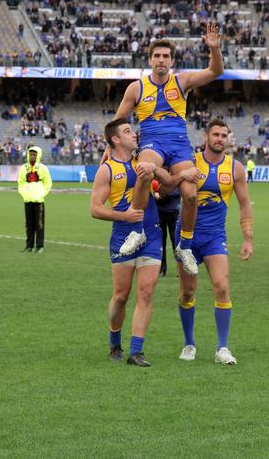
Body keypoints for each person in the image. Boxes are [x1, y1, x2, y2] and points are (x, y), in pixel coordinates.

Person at [107, 28, 224, 276]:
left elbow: (215, 71)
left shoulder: (182, 82)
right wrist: (109, 149)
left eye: (166, 56)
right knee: (144, 172)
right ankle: (137, 231)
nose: (161, 60)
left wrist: (213, 48)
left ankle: (185, 246)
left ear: (172, 61)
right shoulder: (136, 88)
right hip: (153, 143)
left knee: (191, 194)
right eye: (157, 55)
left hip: (179, 144)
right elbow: (117, 122)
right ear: (150, 60)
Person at [90, 119, 196, 367]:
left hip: (151, 233)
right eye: (127, 131)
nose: (133, 134)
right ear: (115, 139)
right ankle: (114, 340)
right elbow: (94, 209)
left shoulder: (146, 162)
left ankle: (136, 351)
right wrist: (124, 216)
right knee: (120, 297)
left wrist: (183, 175)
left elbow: (169, 183)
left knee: (146, 292)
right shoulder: (107, 169)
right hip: (122, 235)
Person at [175, 119, 254, 365]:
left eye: (224, 135)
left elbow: (244, 204)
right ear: (206, 136)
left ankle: (222, 348)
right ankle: (189, 344)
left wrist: (248, 238)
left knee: (221, 286)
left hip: (214, 237)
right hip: (186, 236)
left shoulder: (235, 168)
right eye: (215, 134)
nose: (220, 139)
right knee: (187, 292)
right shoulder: (191, 162)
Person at [17, 146, 52, 253]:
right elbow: (20, 182)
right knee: (29, 224)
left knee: (39, 224)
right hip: (27, 200)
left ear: (38, 156)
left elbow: (48, 183)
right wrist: (24, 194)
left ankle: (39, 246)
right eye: (31, 154)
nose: (32, 156)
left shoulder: (43, 168)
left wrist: (41, 194)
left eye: (34, 154)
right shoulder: (24, 168)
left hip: (39, 201)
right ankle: (29, 246)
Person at [152, 181, 181, 277]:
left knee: (175, 241)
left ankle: (180, 268)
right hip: (158, 212)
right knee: (160, 241)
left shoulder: (175, 172)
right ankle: (162, 269)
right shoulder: (156, 173)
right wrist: (154, 193)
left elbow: (178, 190)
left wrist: (162, 194)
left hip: (173, 212)